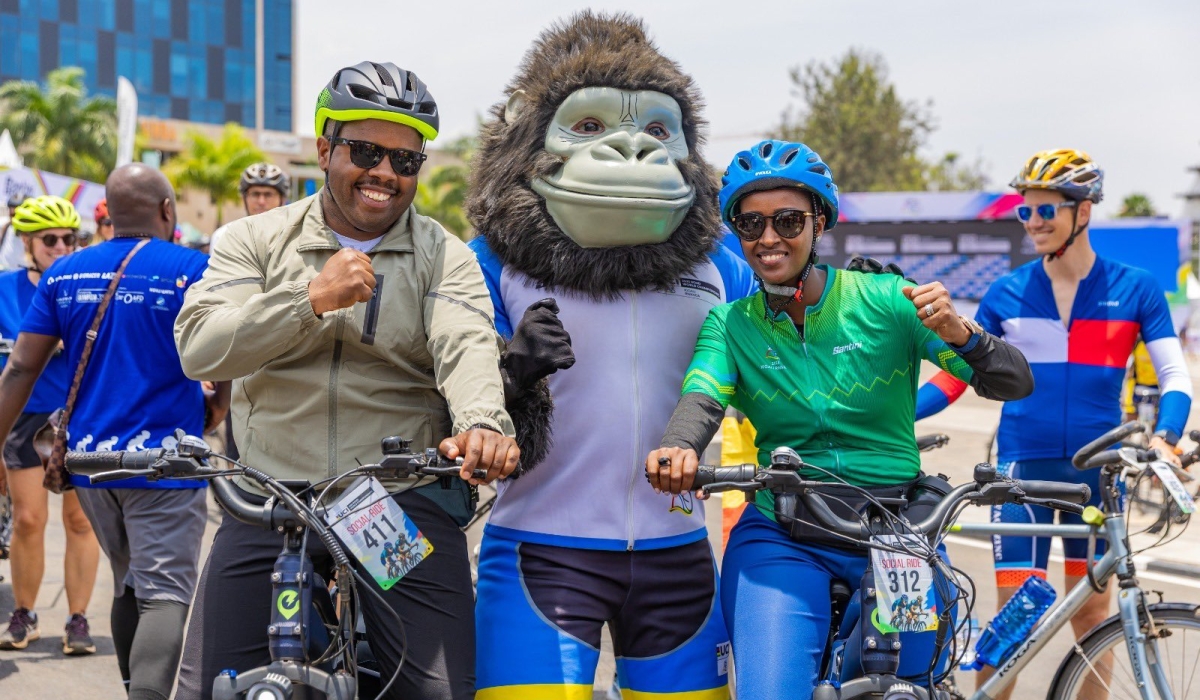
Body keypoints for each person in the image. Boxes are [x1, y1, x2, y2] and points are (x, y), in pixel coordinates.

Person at [174, 61, 518, 700]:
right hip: (270, 494)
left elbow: (465, 343)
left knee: (438, 690)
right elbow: (202, 350)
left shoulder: (446, 254)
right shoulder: (252, 238)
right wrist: (310, 298)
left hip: (386, 502)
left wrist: (481, 425)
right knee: (209, 689)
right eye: (366, 151)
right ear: (325, 149)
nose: (386, 172)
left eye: (406, 161)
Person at [646, 140, 1035, 698]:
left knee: (906, 689)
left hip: (899, 533)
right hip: (784, 535)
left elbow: (1012, 382)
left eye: (787, 220)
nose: (769, 238)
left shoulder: (890, 299)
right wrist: (679, 446)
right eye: (751, 224)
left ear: (819, 220)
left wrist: (960, 332)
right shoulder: (730, 325)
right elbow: (702, 395)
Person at [915, 149, 1193, 697]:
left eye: (1046, 210)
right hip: (1021, 475)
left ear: (1082, 211)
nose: (1034, 222)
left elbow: (1174, 376)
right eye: (1026, 211)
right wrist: (895, 417)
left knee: (1093, 623)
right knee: (1014, 626)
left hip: (1098, 477)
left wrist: (1166, 439)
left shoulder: (1135, 288)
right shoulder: (1006, 293)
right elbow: (954, 379)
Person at [0, 165, 226, 700]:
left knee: (129, 581)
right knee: (166, 593)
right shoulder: (193, 267)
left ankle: (132, 688)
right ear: (167, 212)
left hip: (91, 468)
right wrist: (221, 401)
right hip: (165, 466)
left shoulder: (65, 274)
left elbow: (19, 369)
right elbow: (225, 351)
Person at [0, 196, 100, 656]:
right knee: (27, 519)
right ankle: (24, 613)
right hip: (25, 419)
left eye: (69, 238)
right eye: (49, 239)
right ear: (26, 242)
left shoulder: (88, 284)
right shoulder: (5, 287)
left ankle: (78, 618)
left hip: (81, 415)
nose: (60, 247)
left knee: (80, 520)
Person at [207, 162, 289, 254]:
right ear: (243, 198)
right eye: (255, 194)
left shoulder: (292, 238)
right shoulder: (224, 235)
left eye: (268, 194)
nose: (261, 201)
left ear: (282, 199)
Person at [0, 194, 29, 270]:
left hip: (22, 274)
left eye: (16, 215)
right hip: (3, 271)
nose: (13, 219)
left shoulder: (35, 234)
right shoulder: (4, 225)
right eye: (11, 214)